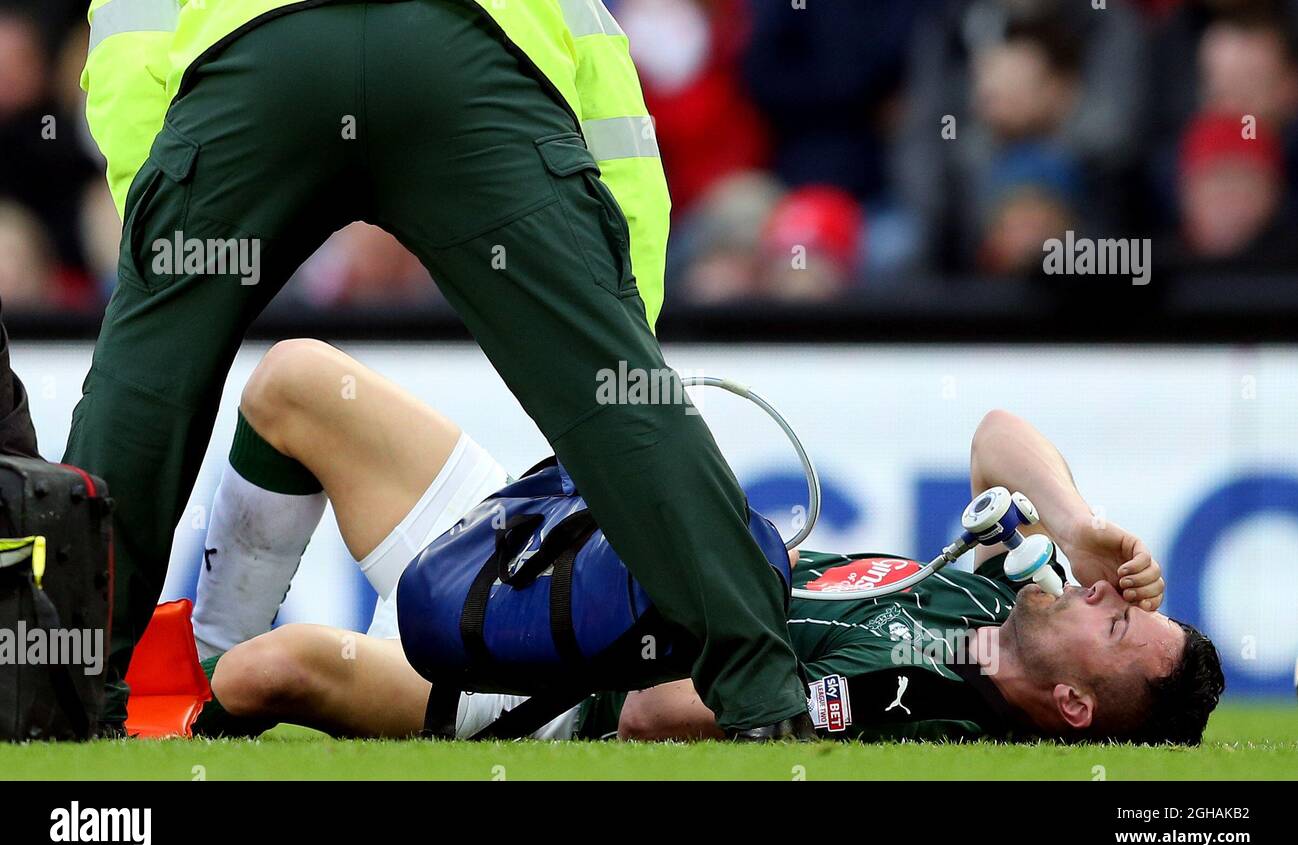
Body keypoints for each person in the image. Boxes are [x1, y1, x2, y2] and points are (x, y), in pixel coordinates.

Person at [69, 0, 808, 737]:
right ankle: (764, 700)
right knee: (617, 393)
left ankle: (62, 693)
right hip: (462, 54)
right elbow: (606, 87)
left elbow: (132, 33)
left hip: (259, 54)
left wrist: (157, 246)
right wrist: (621, 341)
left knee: (143, 395)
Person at [189, 340, 1224, 745]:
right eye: (1117, 594)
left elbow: (654, 713)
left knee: (270, 668)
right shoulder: (990, 605)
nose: (1101, 595)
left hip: (547, 666)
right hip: (578, 555)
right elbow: (998, 433)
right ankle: (178, 658)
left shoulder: (927, 711)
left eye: (1123, 622)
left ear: (1076, 704)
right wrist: (1077, 525)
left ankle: (186, 709)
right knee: (294, 381)